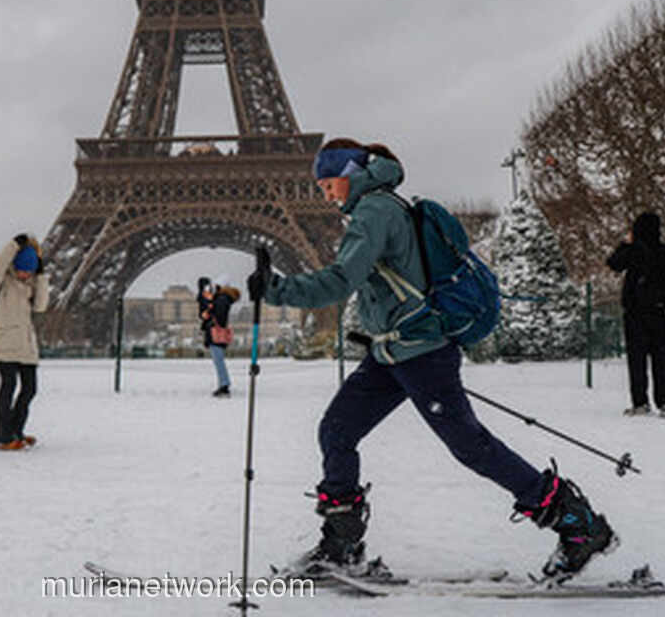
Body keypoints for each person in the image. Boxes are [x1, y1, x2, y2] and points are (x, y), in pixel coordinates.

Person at [248, 138, 617, 582]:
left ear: (350, 173)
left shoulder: (375, 211)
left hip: (421, 355)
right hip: (391, 353)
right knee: (337, 429)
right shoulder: (381, 207)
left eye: (329, 184)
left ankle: (578, 524)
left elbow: (343, 278)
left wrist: (275, 289)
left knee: (471, 447)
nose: (327, 196)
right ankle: (342, 543)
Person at [0, 233, 50, 451]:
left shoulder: (30, 285)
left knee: (30, 388)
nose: (25, 273)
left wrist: (41, 275)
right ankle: (3, 437)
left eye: (29, 270)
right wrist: (14, 245)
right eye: (23, 268)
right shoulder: (0, 281)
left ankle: (16, 431)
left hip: (25, 345)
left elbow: (41, 306)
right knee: (9, 385)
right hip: (4, 342)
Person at [607, 212, 665, 417]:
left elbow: (613, 263)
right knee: (661, 359)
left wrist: (626, 244)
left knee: (637, 360)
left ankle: (640, 402)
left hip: (635, 312)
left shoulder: (632, 251)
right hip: (657, 310)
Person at [205, 276, 238, 397]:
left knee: (218, 360)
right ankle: (222, 384)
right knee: (218, 360)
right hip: (219, 333)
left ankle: (224, 385)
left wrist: (210, 319)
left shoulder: (221, 299)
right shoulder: (224, 299)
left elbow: (219, 317)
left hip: (216, 334)